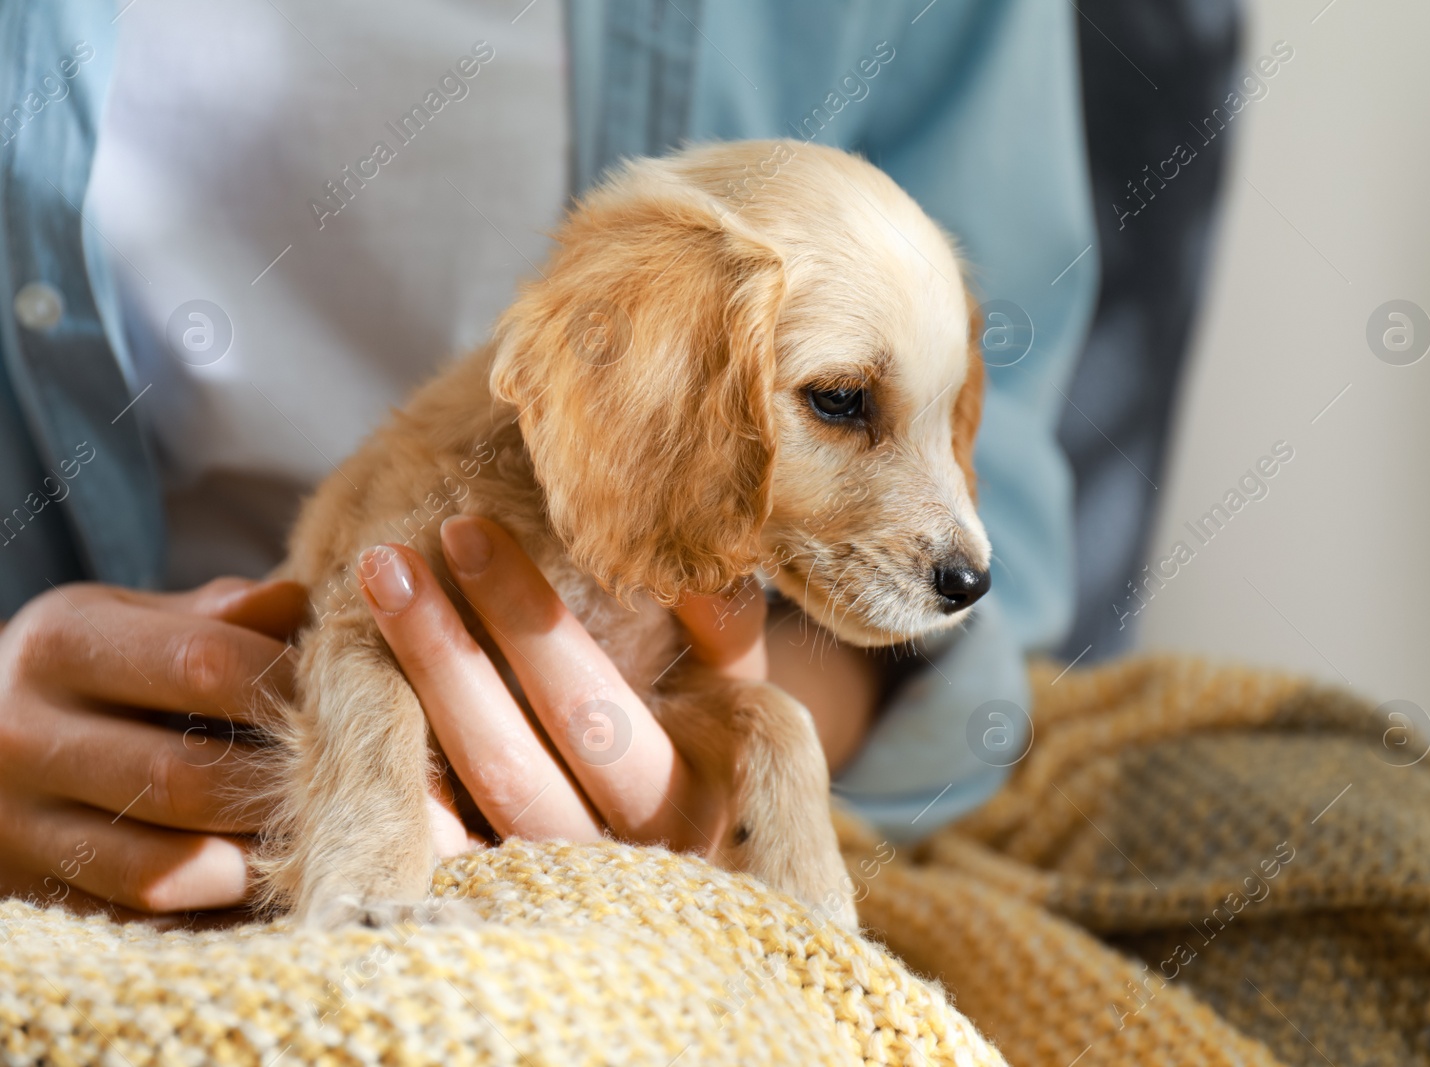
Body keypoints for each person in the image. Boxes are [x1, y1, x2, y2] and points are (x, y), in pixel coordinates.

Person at [0, 0, 1096, 915]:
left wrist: (698, 786)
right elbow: (356, 638)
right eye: (841, 402)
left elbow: (1018, 565)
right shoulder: (582, 402)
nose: (955, 532)